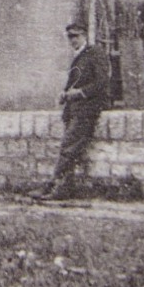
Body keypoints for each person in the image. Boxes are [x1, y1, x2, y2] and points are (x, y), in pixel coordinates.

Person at [37, 21, 110, 199]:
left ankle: (54, 187)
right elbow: (73, 84)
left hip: (87, 110)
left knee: (68, 148)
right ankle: (62, 188)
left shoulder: (95, 53)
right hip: (73, 110)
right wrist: (65, 92)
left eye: (76, 36)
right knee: (70, 149)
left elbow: (102, 82)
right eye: (69, 37)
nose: (72, 40)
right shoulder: (78, 57)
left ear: (85, 35)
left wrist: (81, 93)